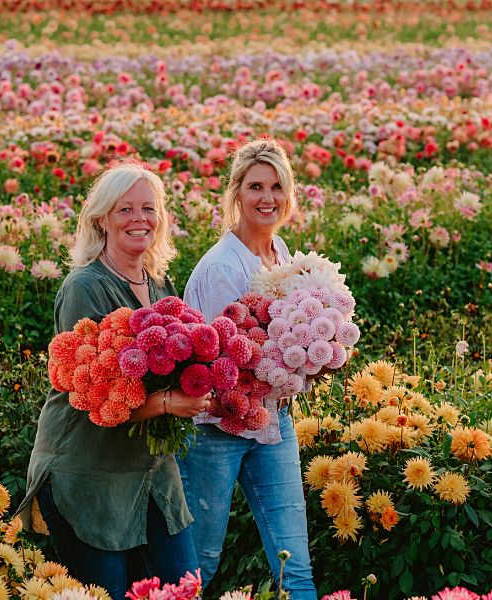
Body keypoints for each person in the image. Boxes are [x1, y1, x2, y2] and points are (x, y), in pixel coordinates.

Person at [15, 163, 209, 599]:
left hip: (150, 475)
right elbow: (91, 396)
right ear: (101, 218)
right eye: (125, 209)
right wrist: (167, 404)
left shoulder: (159, 284)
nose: (139, 219)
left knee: (184, 589)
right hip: (88, 477)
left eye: (148, 208)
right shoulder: (84, 287)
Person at [179, 139, 317, 598]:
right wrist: (293, 367)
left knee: (295, 562)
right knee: (201, 564)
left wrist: (321, 349)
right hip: (216, 427)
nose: (267, 198)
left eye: (277, 187)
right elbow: (222, 366)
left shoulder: (279, 250)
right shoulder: (221, 268)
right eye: (256, 186)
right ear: (236, 192)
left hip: (272, 419)